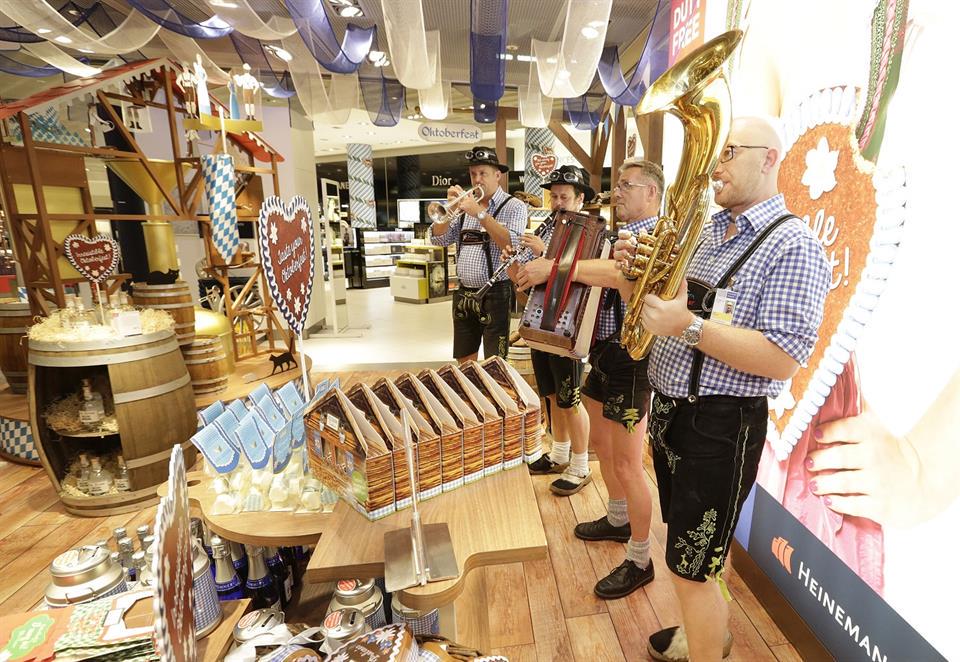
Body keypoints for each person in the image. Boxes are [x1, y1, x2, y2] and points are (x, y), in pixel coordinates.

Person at [614, 117, 830, 661]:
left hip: (721, 424)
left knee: (689, 567)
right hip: (672, 412)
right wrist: (638, 275)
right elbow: (676, 302)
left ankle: (707, 644)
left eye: (730, 151)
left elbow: (783, 358)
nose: (716, 164)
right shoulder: (709, 231)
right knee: (699, 554)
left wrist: (686, 325)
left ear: (771, 158)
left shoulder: (793, 245)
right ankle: (707, 631)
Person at [515, 158, 663, 599]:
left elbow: (621, 276)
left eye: (627, 185)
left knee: (628, 465)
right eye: (617, 185)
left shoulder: (654, 235)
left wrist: (555, 266)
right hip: (602, 350)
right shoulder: (617, 234)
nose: (617, 192)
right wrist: (547, 262)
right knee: (602, 444)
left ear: (651, 193)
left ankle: (641, 559)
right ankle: (618, 519)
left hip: (631, 358)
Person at [505, 165, 592, 496]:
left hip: (567, 326)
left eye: (564, 197)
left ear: (580, 199)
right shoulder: (551, 228)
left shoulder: (589, 230)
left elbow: (582, 275)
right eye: (554, 196)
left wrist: (545, 253)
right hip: (542, 320)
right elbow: (530, 283)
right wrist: (516, 266)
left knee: (571, 398)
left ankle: (581, 464)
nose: (557, 203)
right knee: (551, 392)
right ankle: (558, 453)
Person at [431, 147, 526, 363]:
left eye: (483, 173)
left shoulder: (514, 207)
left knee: (496, 362)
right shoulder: (465, 206)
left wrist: (480, 214)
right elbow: (439, 239)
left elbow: (513, 243)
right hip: (463, 294)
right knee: (464, 362)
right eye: (473, 174)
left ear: (497, 175)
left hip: (495, 294)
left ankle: (495, 397)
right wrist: (449, 210)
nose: (477, 179)